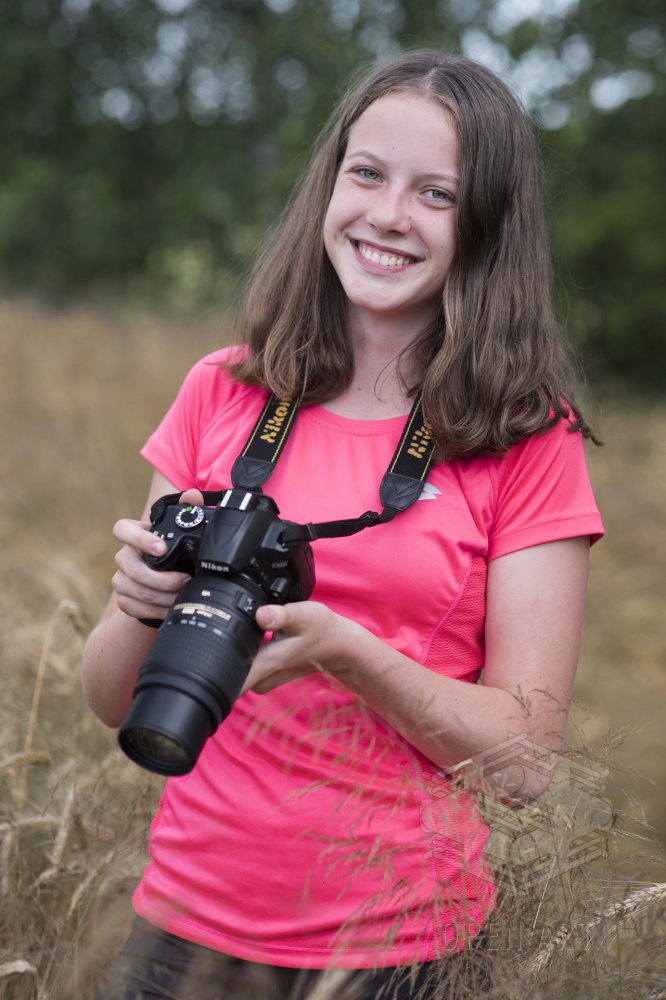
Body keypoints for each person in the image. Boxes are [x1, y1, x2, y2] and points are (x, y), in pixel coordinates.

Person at [83, 49, 604, 1000]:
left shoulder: (528, 436)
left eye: (437, 194)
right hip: (181, 931)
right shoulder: (225, 389)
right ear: (329, 184)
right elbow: (113, 700)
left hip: (398, 948)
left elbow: (525, 761)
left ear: (487, 223)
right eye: (367, 173)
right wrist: (139, 601)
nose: (389, 215)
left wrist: (348, 653)